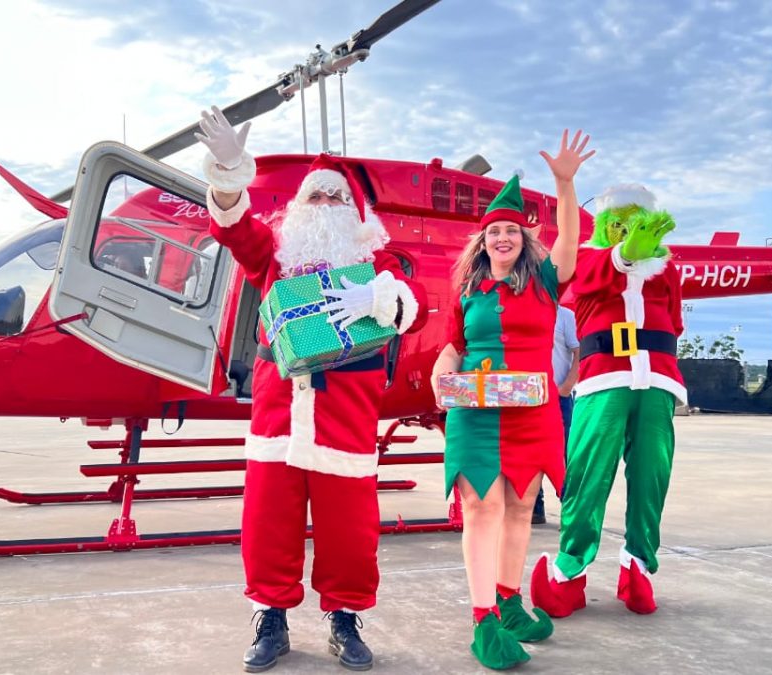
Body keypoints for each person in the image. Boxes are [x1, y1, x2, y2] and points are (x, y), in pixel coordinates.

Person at [195, 106, 427, 672]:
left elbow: (411, 307)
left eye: (334, 199)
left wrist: (376, 297)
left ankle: (344, 620)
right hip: (279, 413)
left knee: (349, 529)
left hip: (346, 414)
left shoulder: (378, 260)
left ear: (355, 213)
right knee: (268, 520)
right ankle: (271, 618)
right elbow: (233, 229)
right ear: (299, 210)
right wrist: (229, 175)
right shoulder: (276, 260)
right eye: (315, 199)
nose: (324, 208)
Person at [430, 130, 594, 670]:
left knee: (522, 506)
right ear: (482, 242)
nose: (503, 237)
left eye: (512, 231)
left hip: (533, 411)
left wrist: (565, 185)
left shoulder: (546, 283)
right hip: (476, 413)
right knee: (482, 507)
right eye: (494, 231)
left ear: (524, 239)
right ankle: (483, 621)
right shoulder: (466, 293)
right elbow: (453, 344)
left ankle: (508, 600)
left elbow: (569, 244)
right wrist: (441, 370)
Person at [531, 183, 686, 619]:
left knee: (653, 474)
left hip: (657, 380)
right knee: (587, 475)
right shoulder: (589, 258)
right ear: (603, 226)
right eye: (617, 223)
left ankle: (638, 567)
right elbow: (597, 273)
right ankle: (569, 573)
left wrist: (648, 261)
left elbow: (675, 320)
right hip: (604, 379)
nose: (624, 231)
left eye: (635, 223)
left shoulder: (668, 270)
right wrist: (626, 254)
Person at [532, 305, 580, 525]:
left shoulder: (565, 315)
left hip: (558, 397)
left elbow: (579, 352)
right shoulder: (524, 310)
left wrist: (567, 387)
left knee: (565, 456)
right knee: (529, 455)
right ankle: (535, 508)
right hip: (529, 397)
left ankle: (572, 511)